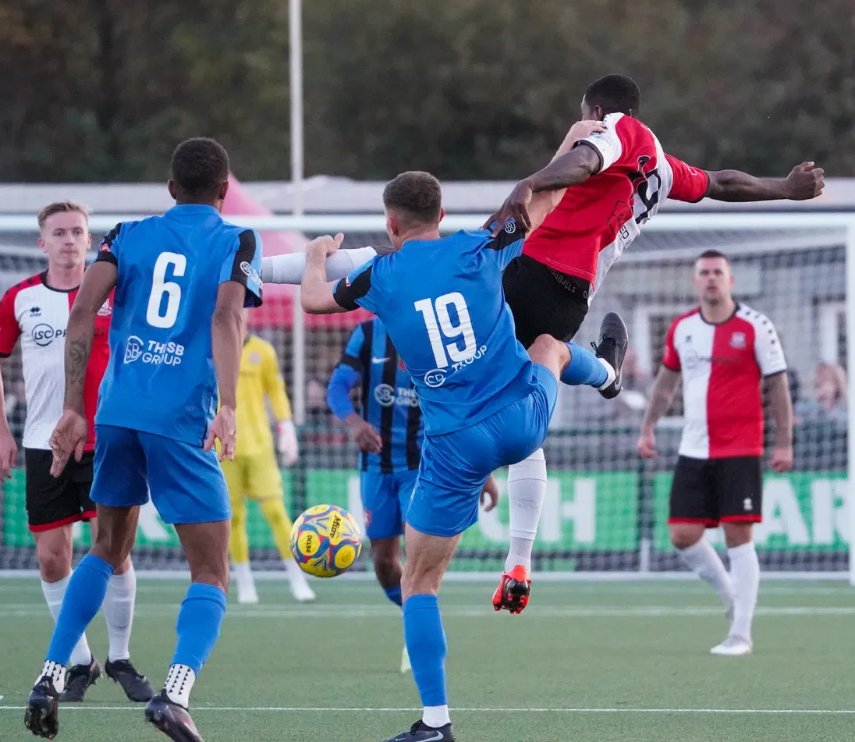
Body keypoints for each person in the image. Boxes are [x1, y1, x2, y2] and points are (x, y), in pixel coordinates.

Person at [267, 74, 825, 613]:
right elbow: (721, 183)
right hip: (573, 294)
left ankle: (254, 269)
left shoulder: (617, 129)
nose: (583, 130)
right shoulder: (662, 165)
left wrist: (530, 182)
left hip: (532, 267)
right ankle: (522, 551)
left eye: (584, 120)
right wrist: (785, 188)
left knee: (400, 267)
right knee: (524, 392)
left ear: (596, 110)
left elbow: (582, 162)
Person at [301, 170, 625, 742]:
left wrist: (315, 255)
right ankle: (605, 374)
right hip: (520, 422)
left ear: (391, 224)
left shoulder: (380, 274)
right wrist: (578, 147)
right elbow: (547, 197)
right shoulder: (481, 244)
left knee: (419, 583)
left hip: (454, 444)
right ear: (442, 216)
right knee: (547, 347)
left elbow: (311, 299)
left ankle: (436, 723)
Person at [23, 138, 262, 742]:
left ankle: (50, 676)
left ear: (170, 188)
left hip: (118, 413)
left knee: (105, 547)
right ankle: (174, 695)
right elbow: (227, 316)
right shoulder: (236, 239)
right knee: (211, 571)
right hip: (179, 420)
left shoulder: (127, 234)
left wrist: (73, 409)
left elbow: (82, 313)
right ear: (225, 189)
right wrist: (228, 407)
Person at [0, 201, 150, 703]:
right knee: (53, 559)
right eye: (59, 233)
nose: (69, 240)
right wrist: (1, 433)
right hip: (41, 443)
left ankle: (120, 657)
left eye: (77, 231)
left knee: (113, 550)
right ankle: (81, 662)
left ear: (90, 240)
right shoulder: (21, 298)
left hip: (107, 441)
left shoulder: (115, 294)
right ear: (43, 243)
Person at [637, 250, 793, 656]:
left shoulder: (756, 326)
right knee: (682, 534)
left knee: (737, 536)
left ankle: (741, 634)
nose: (711, 279)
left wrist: (784, 441)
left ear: (730, 280)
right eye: (704, 273)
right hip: (693, 448)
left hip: (741, 447)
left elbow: (777, 386)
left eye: (717, 272)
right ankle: (732, 599)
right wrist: (648, 427)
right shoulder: (682, 328)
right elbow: (666, 384)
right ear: (695, 282)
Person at [326, 317, 499, 673]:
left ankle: (419, 636)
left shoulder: (438, 336)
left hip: (423, 468)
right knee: (384, 565)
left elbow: (463, 406)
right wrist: (354, 422)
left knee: (417, 558)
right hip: (375, 468)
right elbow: (337, 387)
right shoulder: (369, 333)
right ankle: (418, 622)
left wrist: (483, 469)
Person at [222, 311, 315, 604]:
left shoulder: (263, 351)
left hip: (259, 445)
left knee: (276, 511)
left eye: (244, 310)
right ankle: (244, 581)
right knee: (233, 517)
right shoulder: (214, 348)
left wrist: (286, 427)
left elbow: (276, 390)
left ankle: (297, 577)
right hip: (225, 448)